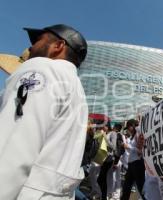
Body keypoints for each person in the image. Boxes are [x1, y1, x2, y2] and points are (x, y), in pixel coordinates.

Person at [0, 24, 88, 199]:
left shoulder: (41, 69)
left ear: (59, 46)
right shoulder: (77, 89)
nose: (31, 47)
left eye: (39, 41)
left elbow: (12, 148)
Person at [120, 119, 146, 200]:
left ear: (132, 126)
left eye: (128, 127)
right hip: (131, 164)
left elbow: (141, 151)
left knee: (140, 186)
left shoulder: (138, 134)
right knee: (126, 187)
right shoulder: (132, 136)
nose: (127, 130)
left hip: (137, 164)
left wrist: (128, 147)